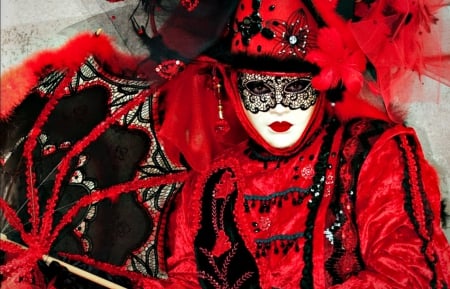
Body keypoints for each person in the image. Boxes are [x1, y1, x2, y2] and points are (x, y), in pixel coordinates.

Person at [1, 0, 449, 288]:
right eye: (258, 89)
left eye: (294, 90)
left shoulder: (375, 155)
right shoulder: (211, 187)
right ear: (233, 88)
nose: (277, 108)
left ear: (324, 86)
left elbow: (413, 272)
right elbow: (185, 281)